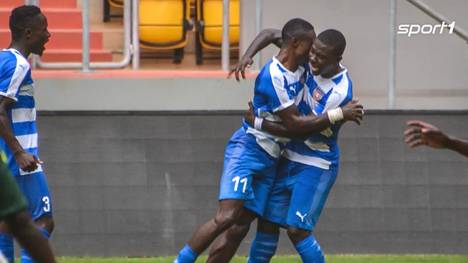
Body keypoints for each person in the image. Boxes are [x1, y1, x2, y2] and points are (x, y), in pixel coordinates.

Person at [174, 19, 363, 263]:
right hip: (265, 149)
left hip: (313, 160)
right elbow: (271, 34)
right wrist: (247, 56)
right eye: (312, 51)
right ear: (299, 45)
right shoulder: (279, 73)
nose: (313, 58)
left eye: (320, 55)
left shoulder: (339, 91)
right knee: (244, 221)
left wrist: (339, 113)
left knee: (291, 230)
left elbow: (302, 130)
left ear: (336, 58)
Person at [0, 5, 54, 263]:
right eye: (45, 29)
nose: (49, 35)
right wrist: (20, 152)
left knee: (7, 223)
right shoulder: (18, 65)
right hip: (19, 159)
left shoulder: (5, 59)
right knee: (43, 220)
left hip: (9, 156)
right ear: (29, 32)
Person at [0, 153, 56, 263]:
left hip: (22, 156)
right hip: (20, 157)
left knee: (11, 221)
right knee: (40, 220)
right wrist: (18, 152)